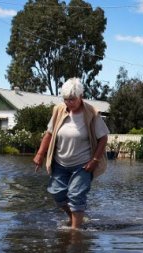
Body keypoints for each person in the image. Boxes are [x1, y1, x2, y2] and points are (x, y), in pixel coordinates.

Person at [33, 78, 109, 229]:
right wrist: (40, 154)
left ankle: (75, 231)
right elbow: (49, 134)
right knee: (57, 193)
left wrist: (94, 160)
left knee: (76, 195)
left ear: (81, 96)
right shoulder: (58, 110)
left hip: (83, 164)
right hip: (60, 162)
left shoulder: (92, 113)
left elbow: (103, 138)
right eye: (66, 99)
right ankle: (75, 218)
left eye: (72, 99)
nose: (69, 103)